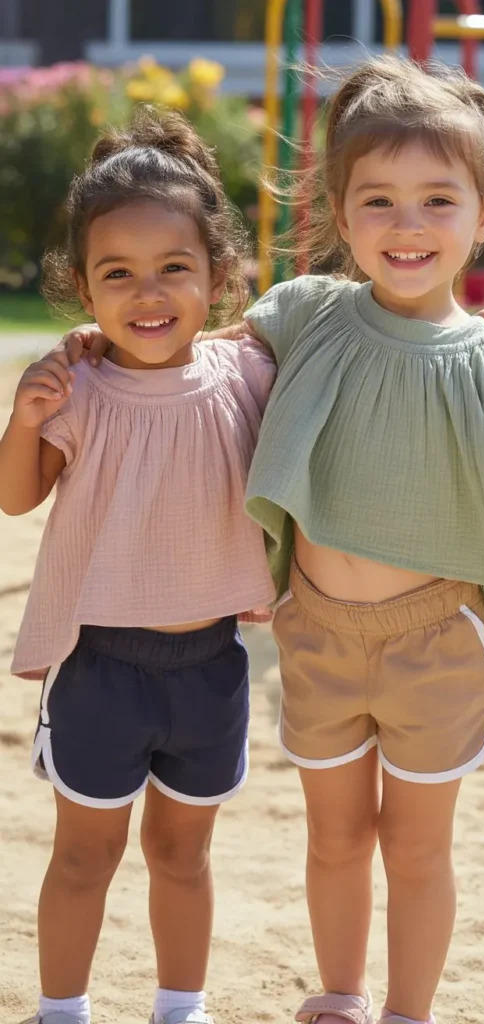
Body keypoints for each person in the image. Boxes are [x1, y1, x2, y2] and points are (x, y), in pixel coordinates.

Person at [59, 59, 484, 1024]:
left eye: (438, 200)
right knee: (334, 840)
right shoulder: (306, 314)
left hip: (437, 640)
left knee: (416, 847)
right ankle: (340, 995)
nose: (407, 224)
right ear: (340, 210)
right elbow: (188, 354)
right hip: (318, 635)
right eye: (378, 200)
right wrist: (100, 344)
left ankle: (408, 1011)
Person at [0, 108, 276, 1024]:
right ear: (83, 286)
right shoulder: (76, 387)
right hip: (101, 667)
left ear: (219, 278)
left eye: (174, 269)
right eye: (117, 272)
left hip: (212, 666)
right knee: (84, 856)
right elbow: (15, 496)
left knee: (183, 856)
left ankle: (180, 1006)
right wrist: (25, 419)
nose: (147, 292)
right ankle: (62, 1010)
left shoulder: (248, 376)